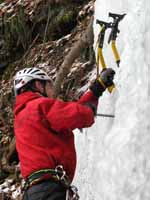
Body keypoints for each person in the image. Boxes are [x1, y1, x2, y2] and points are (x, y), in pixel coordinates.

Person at [13, 67, 115, 200]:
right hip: (49, 190)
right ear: (38, 85)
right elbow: (76, 115)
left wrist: (96, 89)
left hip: (33, 192)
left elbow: (66, 114)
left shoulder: (21, 116)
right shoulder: (40, 105)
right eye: (49, 84)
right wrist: (87, 112)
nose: (52, 89)